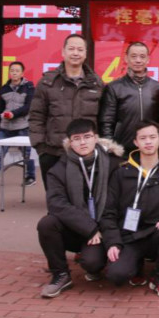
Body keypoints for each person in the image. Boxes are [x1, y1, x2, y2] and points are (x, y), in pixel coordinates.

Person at [100, 121, 159, 298]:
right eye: (143, 138)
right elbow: (108, 212)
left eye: (152, 137)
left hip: (155, 233)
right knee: (116, 276)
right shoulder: (121, 173)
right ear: (136, 142)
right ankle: (136, 266)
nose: (148, 142)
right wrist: (113, 242)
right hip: (128, 236)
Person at [36, 118, 124, 298]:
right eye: (76, 138)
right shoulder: (59, 168)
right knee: (47, 224)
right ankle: (60, 274)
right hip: (78, 229)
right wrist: (89, 228)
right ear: (70, 142)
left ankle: (99, 262)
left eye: (87, 137)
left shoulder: (114, 164)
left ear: (96, 138)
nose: (82, 142)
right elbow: (56, 203)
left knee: (92, 263)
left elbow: (119, 201)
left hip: (106, 227)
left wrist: (103, 230)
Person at [30, 34, 104, 189]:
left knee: (84, 198)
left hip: (86, 154)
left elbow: (103, 119)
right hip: (53, 153)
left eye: (80, 49)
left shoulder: (96, 84)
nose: (75, 53)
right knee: (56, 198)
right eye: (71, 49)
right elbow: (36, 116)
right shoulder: (47, 83)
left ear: (85, 54)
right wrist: (41, 148)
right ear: (63, 52)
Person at [0, 61, 37, 192]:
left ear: (22, 73)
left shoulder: (29, 87)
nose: (14, 73)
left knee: (26, 154)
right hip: (5, 127)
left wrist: (13, 114)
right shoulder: (4, 88)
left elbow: (28, 107)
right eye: (12, 70)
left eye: (17, 71)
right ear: (9, 72)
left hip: (22, 126)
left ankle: (30, 177)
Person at [98, 41, 159, 153]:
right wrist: (110, 148)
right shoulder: (114, 87)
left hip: (150, 150)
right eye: (134, 56)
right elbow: (106, 121)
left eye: (142, 57)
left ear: (148, 59)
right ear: (126, 58)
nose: (138, 60)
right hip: (122, 150)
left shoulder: (157, 87)